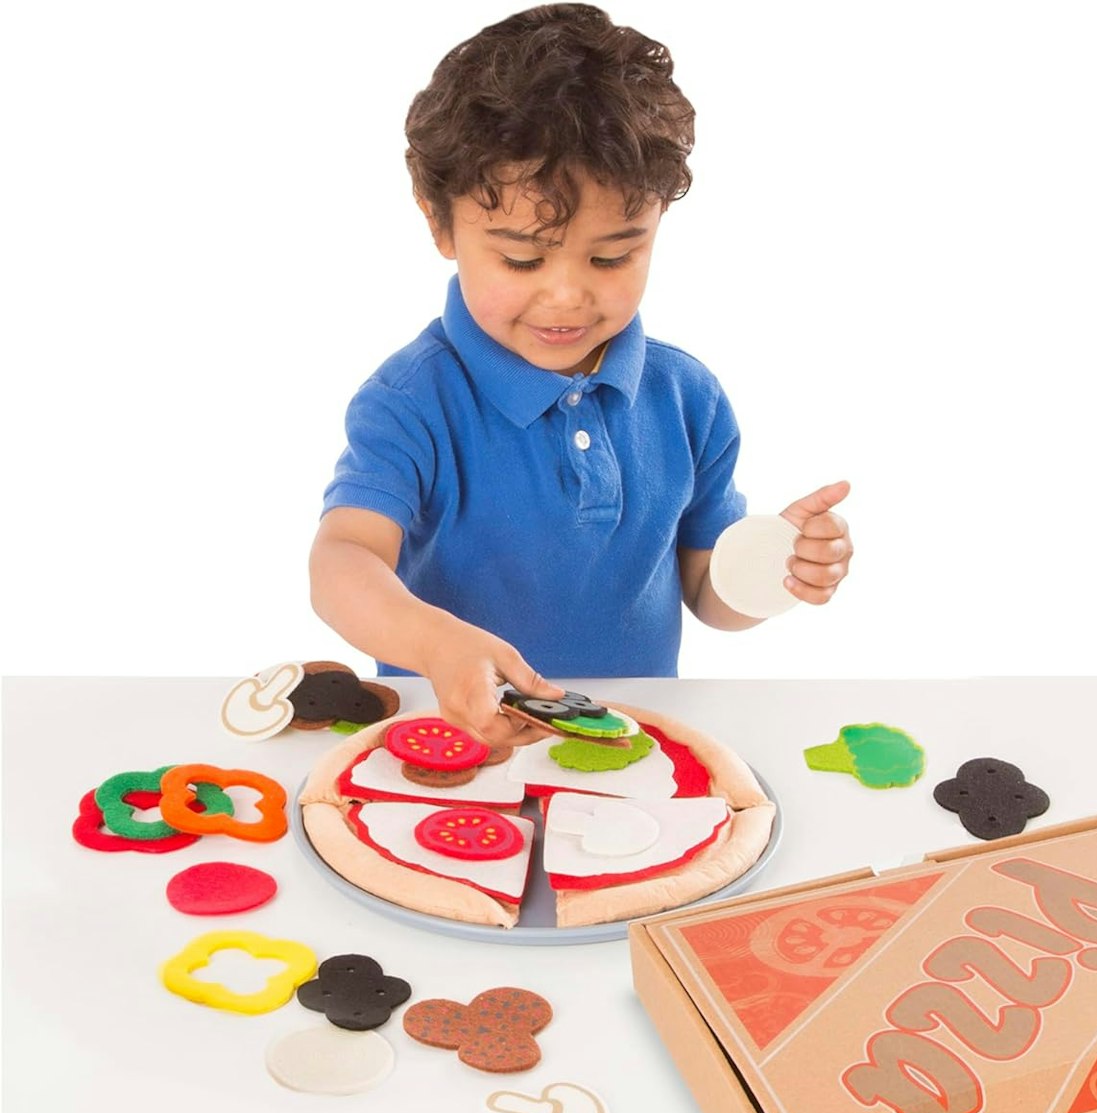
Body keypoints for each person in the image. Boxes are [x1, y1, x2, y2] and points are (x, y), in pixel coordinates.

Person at [310, 4, 853, 749]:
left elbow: (706, 593)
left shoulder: (687, 398)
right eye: (523, 259)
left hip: (631, 751)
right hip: (454, 747)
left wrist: (769, 568)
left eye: (611, 257)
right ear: (440, 223)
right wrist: (433, 642)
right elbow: (342, 560)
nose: (567, 296)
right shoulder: (412, 401)